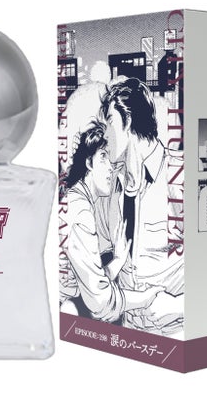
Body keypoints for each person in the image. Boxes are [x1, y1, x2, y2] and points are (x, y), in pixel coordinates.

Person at [98, 78, 184, 336]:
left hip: (177, 331)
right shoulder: (111, 184)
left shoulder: (179, 175)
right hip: (130, 331)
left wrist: (179, 305)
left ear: (129, 121)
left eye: (109, 122)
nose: (104, 134)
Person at [60, 119, 164, 323]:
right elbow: (100, 302)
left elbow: (91, 281)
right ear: (88, 163)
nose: (110, 168)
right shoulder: (80, 211)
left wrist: (117, 260)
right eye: (103, 158)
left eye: (111, 160)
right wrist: (145, 298)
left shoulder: (78, 199)